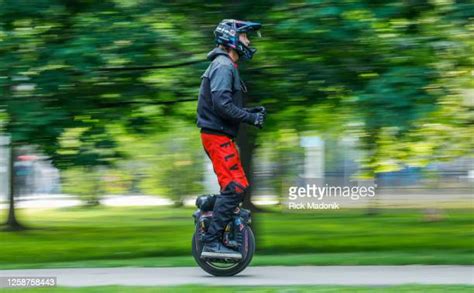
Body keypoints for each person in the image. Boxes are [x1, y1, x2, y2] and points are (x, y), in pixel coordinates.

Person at [196, 19, 265, 259]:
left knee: (240, 187)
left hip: (220, 135)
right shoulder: (223, 66)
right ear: (232, 39)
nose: (248, 41)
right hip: (216, 136)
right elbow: (222, 105)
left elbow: (226, 105)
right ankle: (211, 242)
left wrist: (251, 112)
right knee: (234, 187)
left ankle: (208, 205)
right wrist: (249, 118)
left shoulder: (226, 66)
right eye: (245, 37)